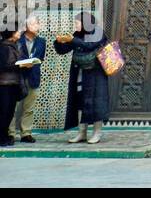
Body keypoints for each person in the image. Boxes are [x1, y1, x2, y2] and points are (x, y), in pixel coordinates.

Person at [54, 10, 110, 144]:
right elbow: (63, 50)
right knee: (80, 101)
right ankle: (82, 133)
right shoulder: (77, 35)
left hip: (96, 74)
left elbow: (89, 45)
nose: (76, 25)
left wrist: (73, 40)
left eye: (77, 22)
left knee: (97, 102)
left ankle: (97, 133)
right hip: (80, 74)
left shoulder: (97, 32)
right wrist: (58, 41)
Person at [9, 14, 44, 143]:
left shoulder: (41, 41)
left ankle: (26, 133)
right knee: (12, 107)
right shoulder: (18, 40)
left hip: (33, 77)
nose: (35, 26)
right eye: (32, 24)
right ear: (26, 27)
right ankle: (10, 132)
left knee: (29, 108)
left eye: (37, 24)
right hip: (18, 77)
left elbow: (41, 58)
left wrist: (33, 62)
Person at [0, 27, 22, 147]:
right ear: (12, 33)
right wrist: (18, 66)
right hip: (4, 85)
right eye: (17, 31)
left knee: (9, 112)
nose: (19, 33)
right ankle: (2, 137)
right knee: (4, 111)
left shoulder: (14, 45)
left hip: (13, 83)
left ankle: (4, 135)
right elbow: (3, 66)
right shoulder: (3, 47)